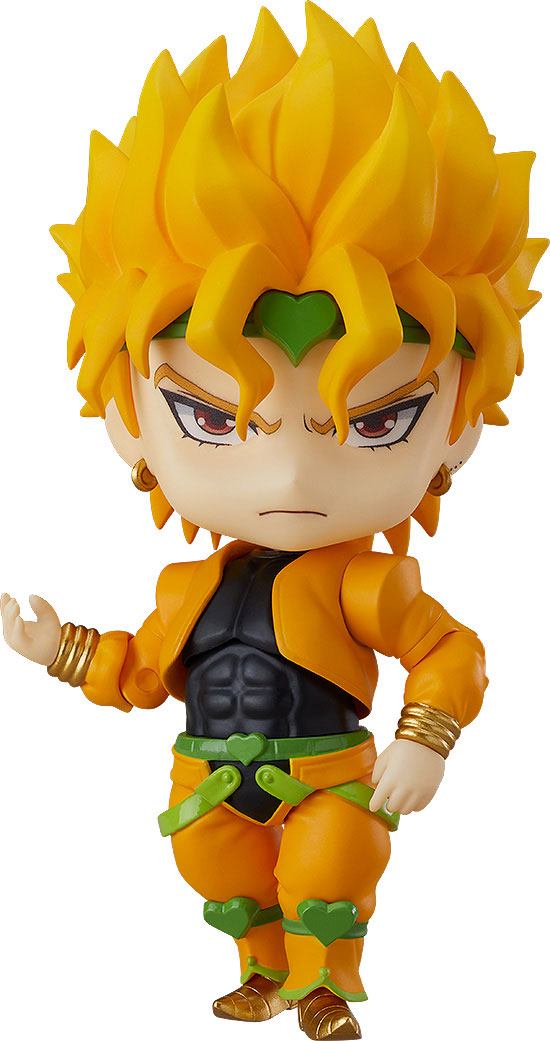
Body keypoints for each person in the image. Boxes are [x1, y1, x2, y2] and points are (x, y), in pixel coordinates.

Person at [1, 5, 545, 1038]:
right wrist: (58, 648)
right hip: (207, 780)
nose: (292, 468)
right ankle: (260, 969)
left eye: (377, 420)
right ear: (127, 422)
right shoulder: (188, 589)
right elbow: (141, 673)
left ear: (458, 430)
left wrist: (425, 740)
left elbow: (449, 651)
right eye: (212, 417)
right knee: (218, 874)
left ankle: (325, 983)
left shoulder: (363, 584)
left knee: (331, 872)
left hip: (329, 776)